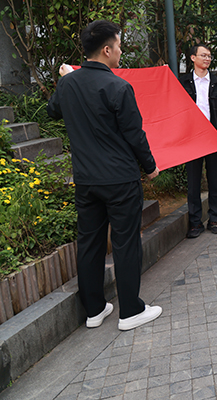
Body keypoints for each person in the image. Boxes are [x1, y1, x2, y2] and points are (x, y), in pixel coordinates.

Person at [47, 20, 162, 331]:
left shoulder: (68, 84)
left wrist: (67, 79)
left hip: (86, 180)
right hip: (120, 179)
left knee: (90, 243)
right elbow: (134, 134)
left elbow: (52, 110)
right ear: (107, 49)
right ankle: (131, 311)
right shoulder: (118, 87)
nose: (121, 52)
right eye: (119, 46)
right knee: (126, 243)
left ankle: (94, 310)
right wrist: (150, 166)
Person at [179, 45, 217, 238]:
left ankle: (214, 219)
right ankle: (195, 223)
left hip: (213, 137)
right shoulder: (183, 82)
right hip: (191, 138)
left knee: (214, 179)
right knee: (193, 182)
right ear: (192, 57)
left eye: (209, 56)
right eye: (203, 55)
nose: (207, 59)